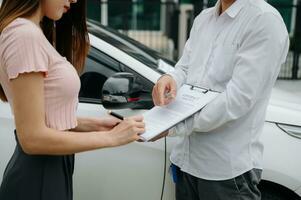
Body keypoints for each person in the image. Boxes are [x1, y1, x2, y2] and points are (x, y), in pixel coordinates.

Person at [0, 0, 145, 199]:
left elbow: (47, 119)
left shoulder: (30, 31)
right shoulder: (24, 34)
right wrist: (111, 138)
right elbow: (32, 138)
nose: (75, 0)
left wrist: (96, 124)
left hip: (47, 172)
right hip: (38, 177)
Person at [152, 0, 289, 199]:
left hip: (226, 173)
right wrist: (169, 78)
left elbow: (238, 99)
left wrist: (173, 125)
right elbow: (185, 68)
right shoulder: (204, 18)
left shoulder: (264, 20)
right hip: (185, 162)